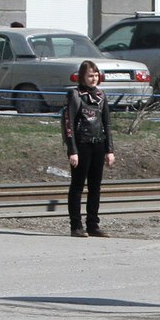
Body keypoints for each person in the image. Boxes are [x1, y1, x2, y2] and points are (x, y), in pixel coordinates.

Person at [62, 60, 115, 237]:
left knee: (95, 187)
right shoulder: (75, 95)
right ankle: (76, 226)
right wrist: (72, 150)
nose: (93, 79)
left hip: (98, 144)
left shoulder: (101, 95)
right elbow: (68, 123)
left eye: (95, 75)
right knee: (77, 186)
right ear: (82, 77)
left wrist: (110, 150)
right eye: (89, 76)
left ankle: (93, 224)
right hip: (82, 145)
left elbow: (106, 123)